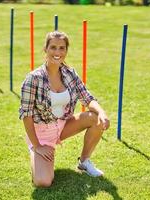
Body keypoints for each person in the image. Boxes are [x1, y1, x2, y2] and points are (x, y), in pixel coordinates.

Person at [19, 31, 110, 188]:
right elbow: (26, 116)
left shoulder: (70, 73)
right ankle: (37, 155)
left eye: (62, 48)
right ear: (45, 49)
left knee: (95, 118)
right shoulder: (33, 78)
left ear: (66, 51)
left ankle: (84, 162)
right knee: (43, 182)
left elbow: (87, 98)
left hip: (62, 126)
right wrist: (37, 146)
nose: (57, 52)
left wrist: (102, 113)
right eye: (53, 47)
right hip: (41, 136)